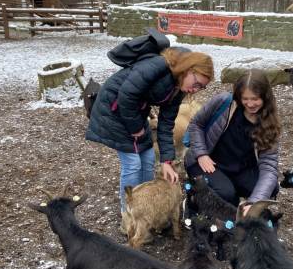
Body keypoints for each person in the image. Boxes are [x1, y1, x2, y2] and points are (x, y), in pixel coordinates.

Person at [86, 47, 214, 212]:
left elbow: (166, 124)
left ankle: (145, 204)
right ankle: (130, 214)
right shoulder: (158, 66)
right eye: (196, 84)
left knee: (147, 159)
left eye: (201, 88)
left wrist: (167, 161)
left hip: (135, 115)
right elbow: (126, 94)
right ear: (188, 70)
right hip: (113, 111)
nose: (195, 90)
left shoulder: (179, 86)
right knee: (132, 164)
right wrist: (135, 127)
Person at [185, 69, 280, 216]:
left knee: (271, 187)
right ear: (239, 96)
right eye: (245, 98)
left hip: (238, 168)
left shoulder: (270, 123)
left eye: (255, 99)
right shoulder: (224, 103)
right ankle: (193, 202)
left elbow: (269, 167)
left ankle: (231, 196)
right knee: (227, 194)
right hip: (207, 162)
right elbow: (196, 124)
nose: (250, 104)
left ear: (265, 97)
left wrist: (254, 202)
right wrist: (201, 154)